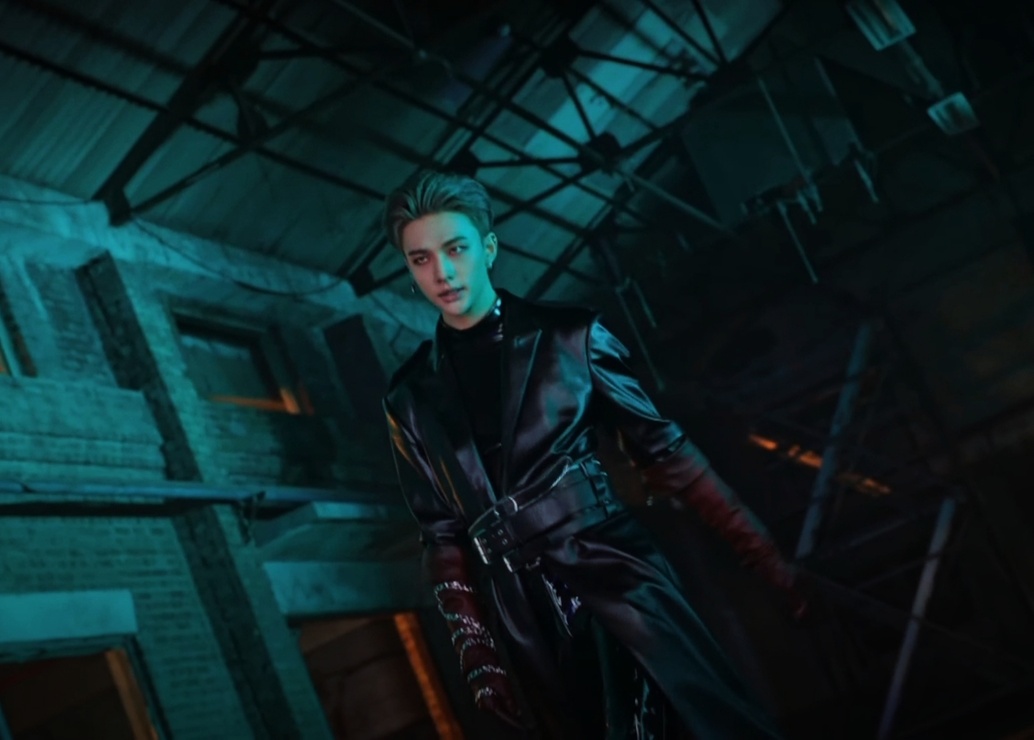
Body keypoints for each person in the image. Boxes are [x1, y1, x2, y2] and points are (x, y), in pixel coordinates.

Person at [380, 170, 804, 739]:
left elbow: (666, 452)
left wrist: (763, 555)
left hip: (614, 571)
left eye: (455, 249)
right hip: (523, 612)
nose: (442, 273)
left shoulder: (570, 337)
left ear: (489, 248)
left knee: (689, 723)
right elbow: (441, 535)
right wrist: (475, 649)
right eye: (421, 259)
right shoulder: (409, 397)